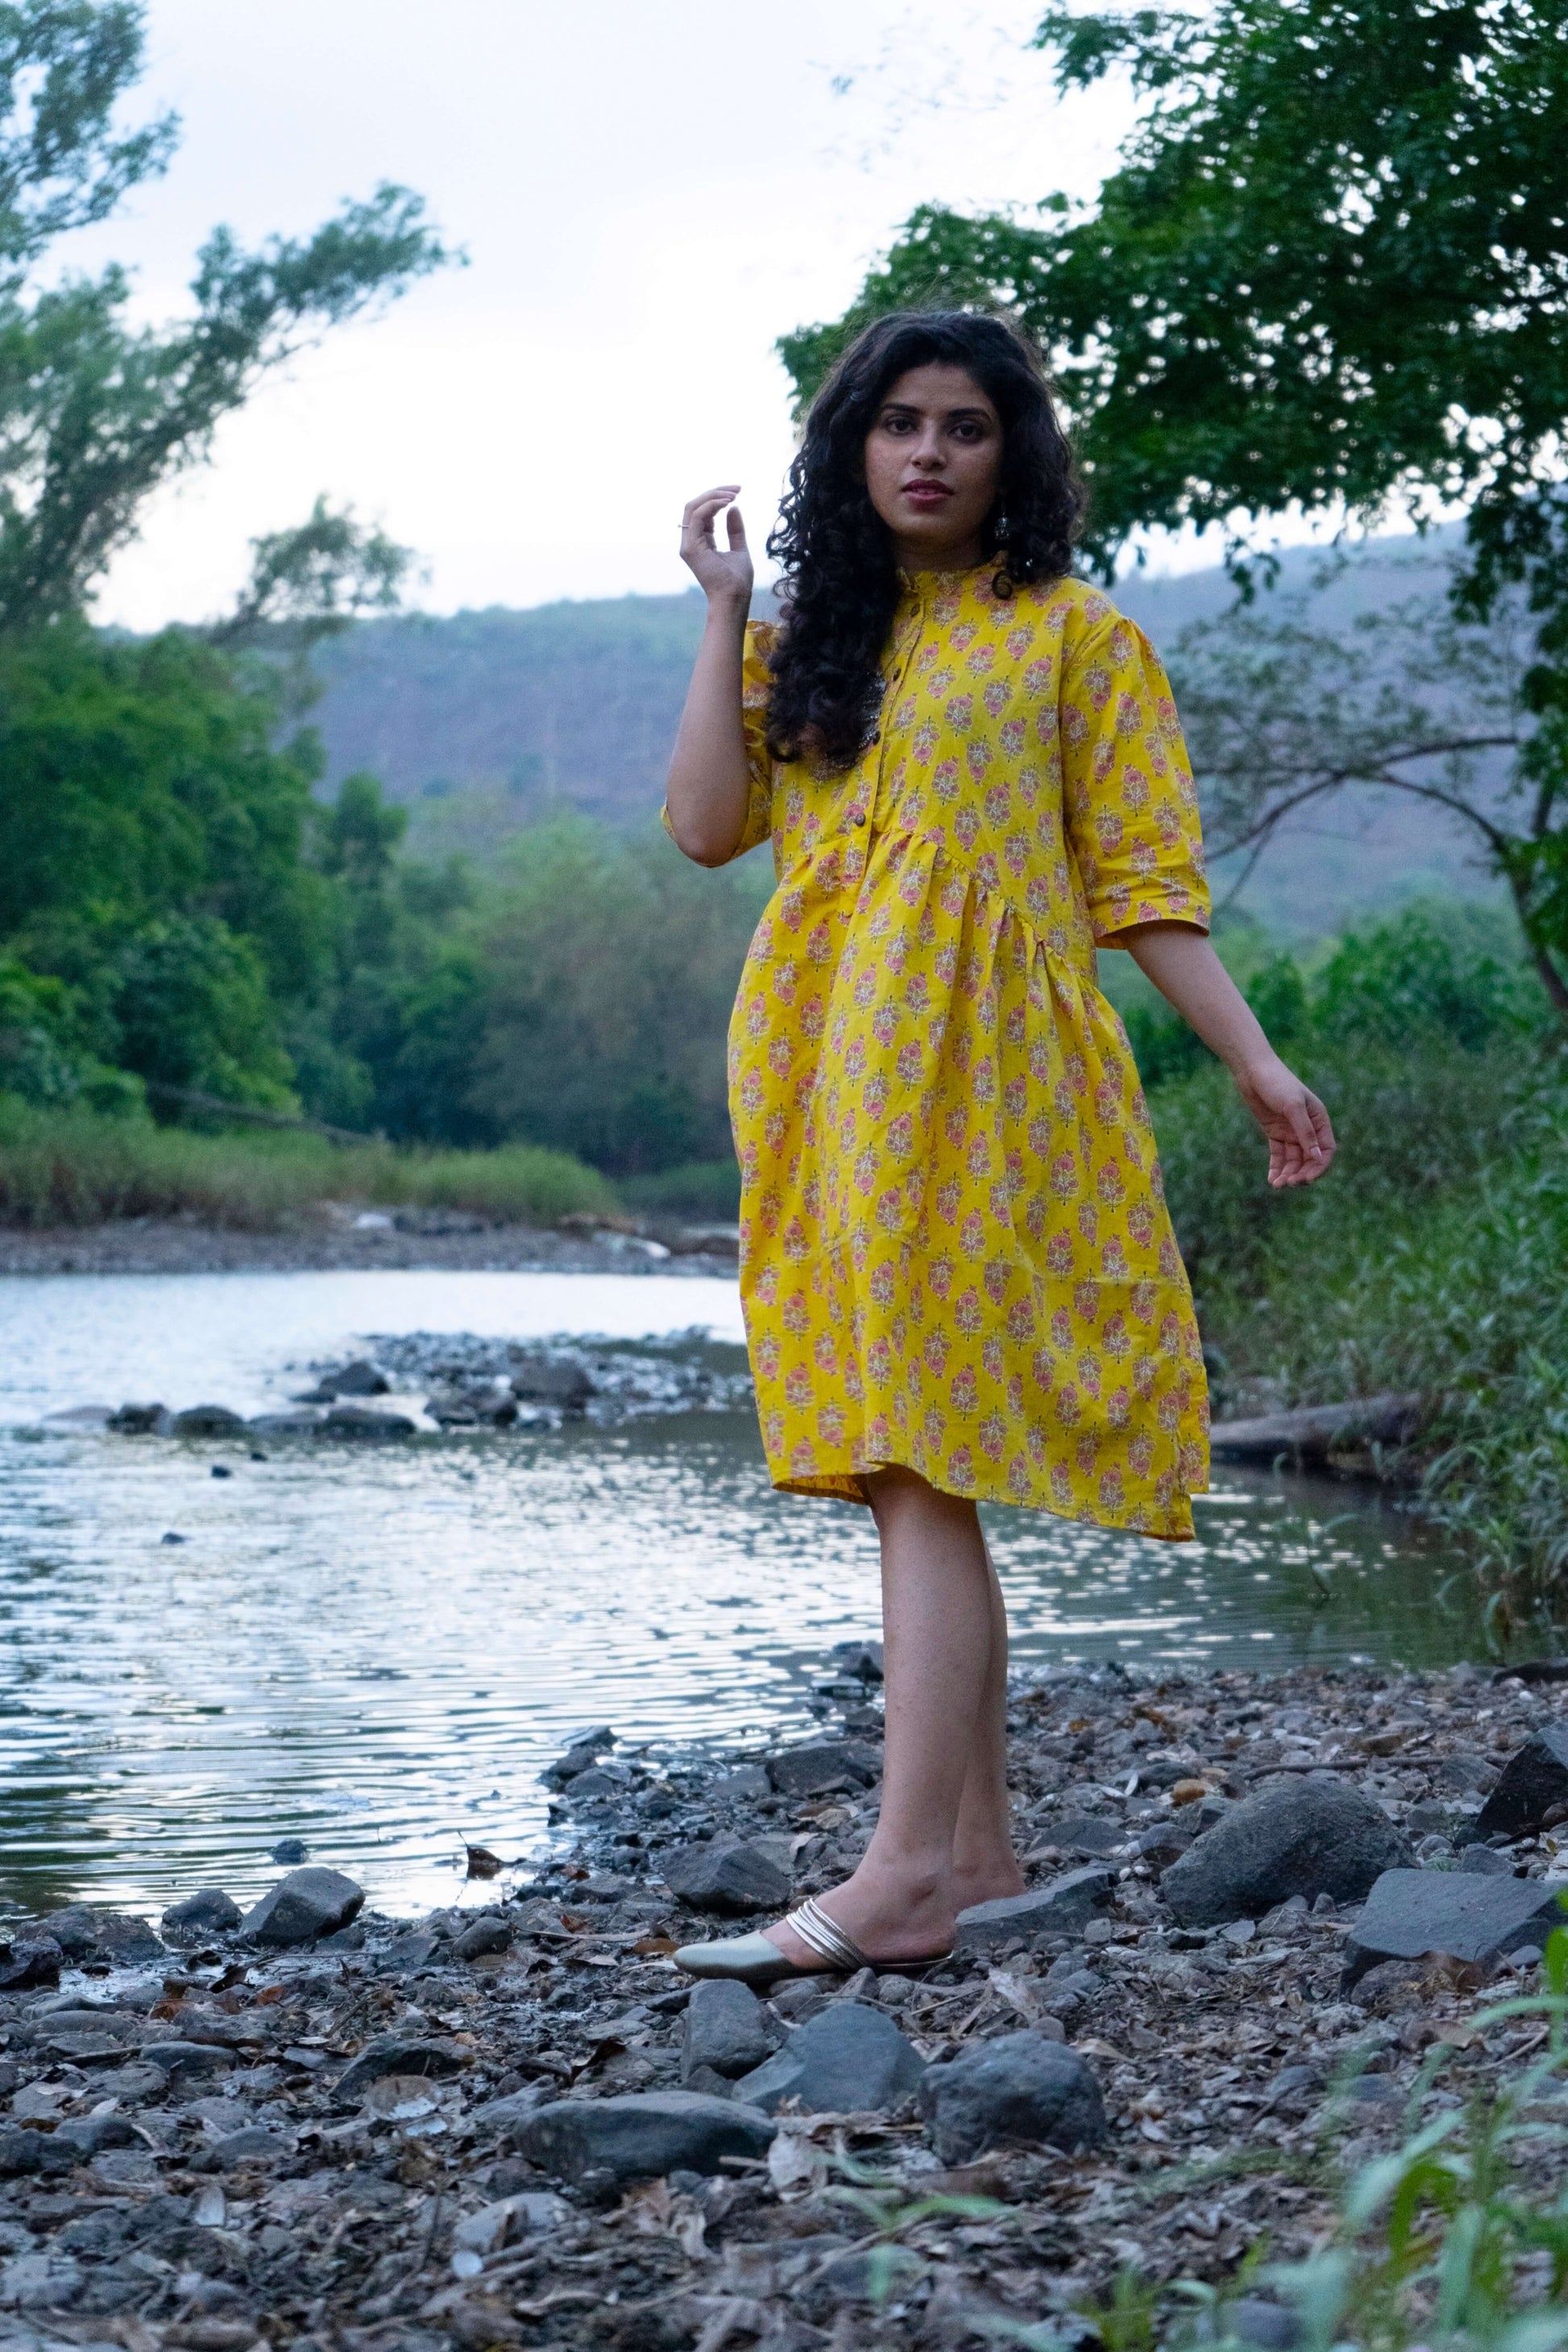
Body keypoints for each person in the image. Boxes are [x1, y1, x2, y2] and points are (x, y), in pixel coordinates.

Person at [662, 310, 1334, 1984]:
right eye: (898, 423)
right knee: (907, 1446)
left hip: (983, 1080)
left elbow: (1143, 883)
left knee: (913, 1443)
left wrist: (1250, 1059)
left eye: (965, 426)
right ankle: (969, 1853)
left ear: (1010, 453)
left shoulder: (1073, 638)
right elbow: (701, 827)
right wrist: (729, 614)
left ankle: (900, 1874)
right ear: (851, 447)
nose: (929, 453)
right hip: (820, 1073)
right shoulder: (810, 637)